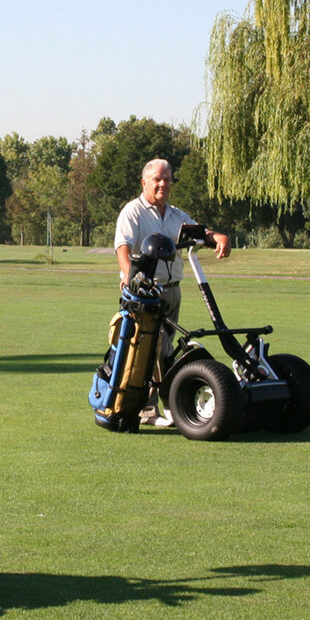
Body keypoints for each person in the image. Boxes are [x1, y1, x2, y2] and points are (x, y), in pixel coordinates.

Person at [114, 158, 230, 426]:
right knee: (152, 348)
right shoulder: (133, 212)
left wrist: (218, 237)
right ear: (144, 182)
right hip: (145, 294)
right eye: (157, 179)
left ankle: (170, 402)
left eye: (166, 179)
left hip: (173, 291)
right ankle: (149, 409)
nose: (162, 184)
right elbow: (123, 247)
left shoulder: (177, 215)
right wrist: (130, 278)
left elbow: (200, 233)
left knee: (163, 352)